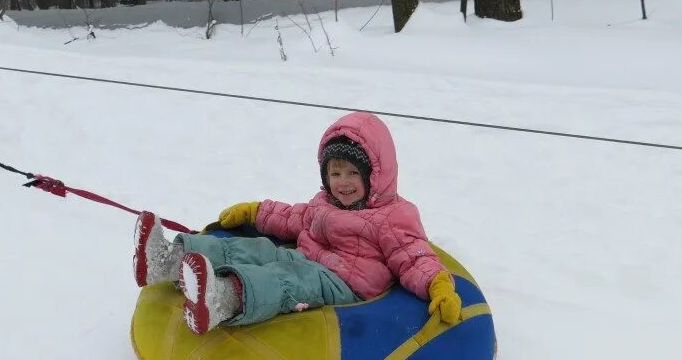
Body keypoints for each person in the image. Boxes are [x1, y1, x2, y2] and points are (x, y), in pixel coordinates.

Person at [134, 111, 462, 335]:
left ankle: (224, 298)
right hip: (305, 258)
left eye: (353, 174)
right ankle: (167, 258)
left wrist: (440, 286)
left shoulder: (393, 216)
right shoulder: (324, 203)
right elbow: (291, 217)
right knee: (255, 249)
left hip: (344, 284)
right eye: (335, 173)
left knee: (284, 280)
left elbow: (414, 257)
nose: (343, 183)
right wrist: (254, 211)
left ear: (376, 176)